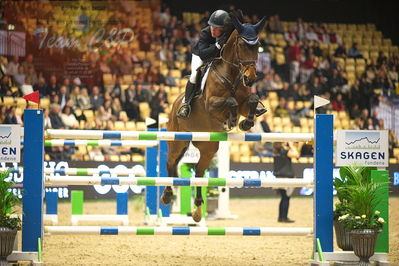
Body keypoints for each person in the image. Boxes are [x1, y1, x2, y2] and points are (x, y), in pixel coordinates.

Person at [176, 9, 230, 119]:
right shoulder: (205, 33)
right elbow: (203, 54)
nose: (213, 30)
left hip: (219, 57)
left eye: (216, 28)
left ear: (224, 28)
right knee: (195, 75)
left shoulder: (229, 33)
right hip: (201, 55)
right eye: (212, 26)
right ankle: (186, 104)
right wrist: (218, 46)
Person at [273, 142, 300, 223]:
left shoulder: (277, 152)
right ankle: (284, 217)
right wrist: (291, 146)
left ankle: (281, 217)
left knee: (283, 198)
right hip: (286, 177)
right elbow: (296, 155)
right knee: (286, 198)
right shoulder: (283, 151)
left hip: (279, 177)